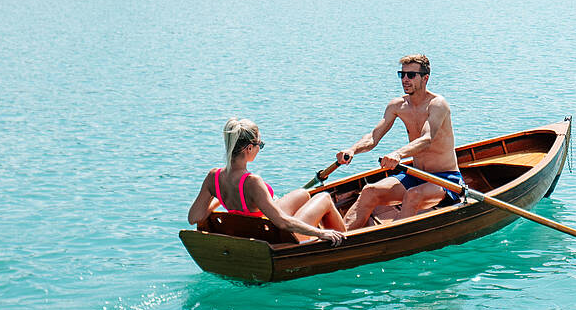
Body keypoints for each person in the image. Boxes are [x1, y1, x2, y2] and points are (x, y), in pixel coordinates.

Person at [335, 54, 462, 229]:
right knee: (369, 191)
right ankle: (340, 238)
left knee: (413, 196)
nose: (405, 79)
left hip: (445, 179)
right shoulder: (397, 105)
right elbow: (373, 137)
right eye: (401, 75)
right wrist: (352, 150)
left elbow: (426, 139)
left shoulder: (437, 104)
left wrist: (398, 154)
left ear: (425, 78)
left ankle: (393, 240)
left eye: (411, 75)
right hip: (416, 174)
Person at [187, 118, 346, 245]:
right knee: (323, 198)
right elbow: (283, 223)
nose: (259, 149)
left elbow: (193, 217)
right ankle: (346, 237)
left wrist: (220, 197)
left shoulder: (213, 177)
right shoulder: (252, 182)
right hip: (273, 235)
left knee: (303, 194)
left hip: (250, 229)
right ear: (249, 148)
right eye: (259, 145)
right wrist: (320, 233)